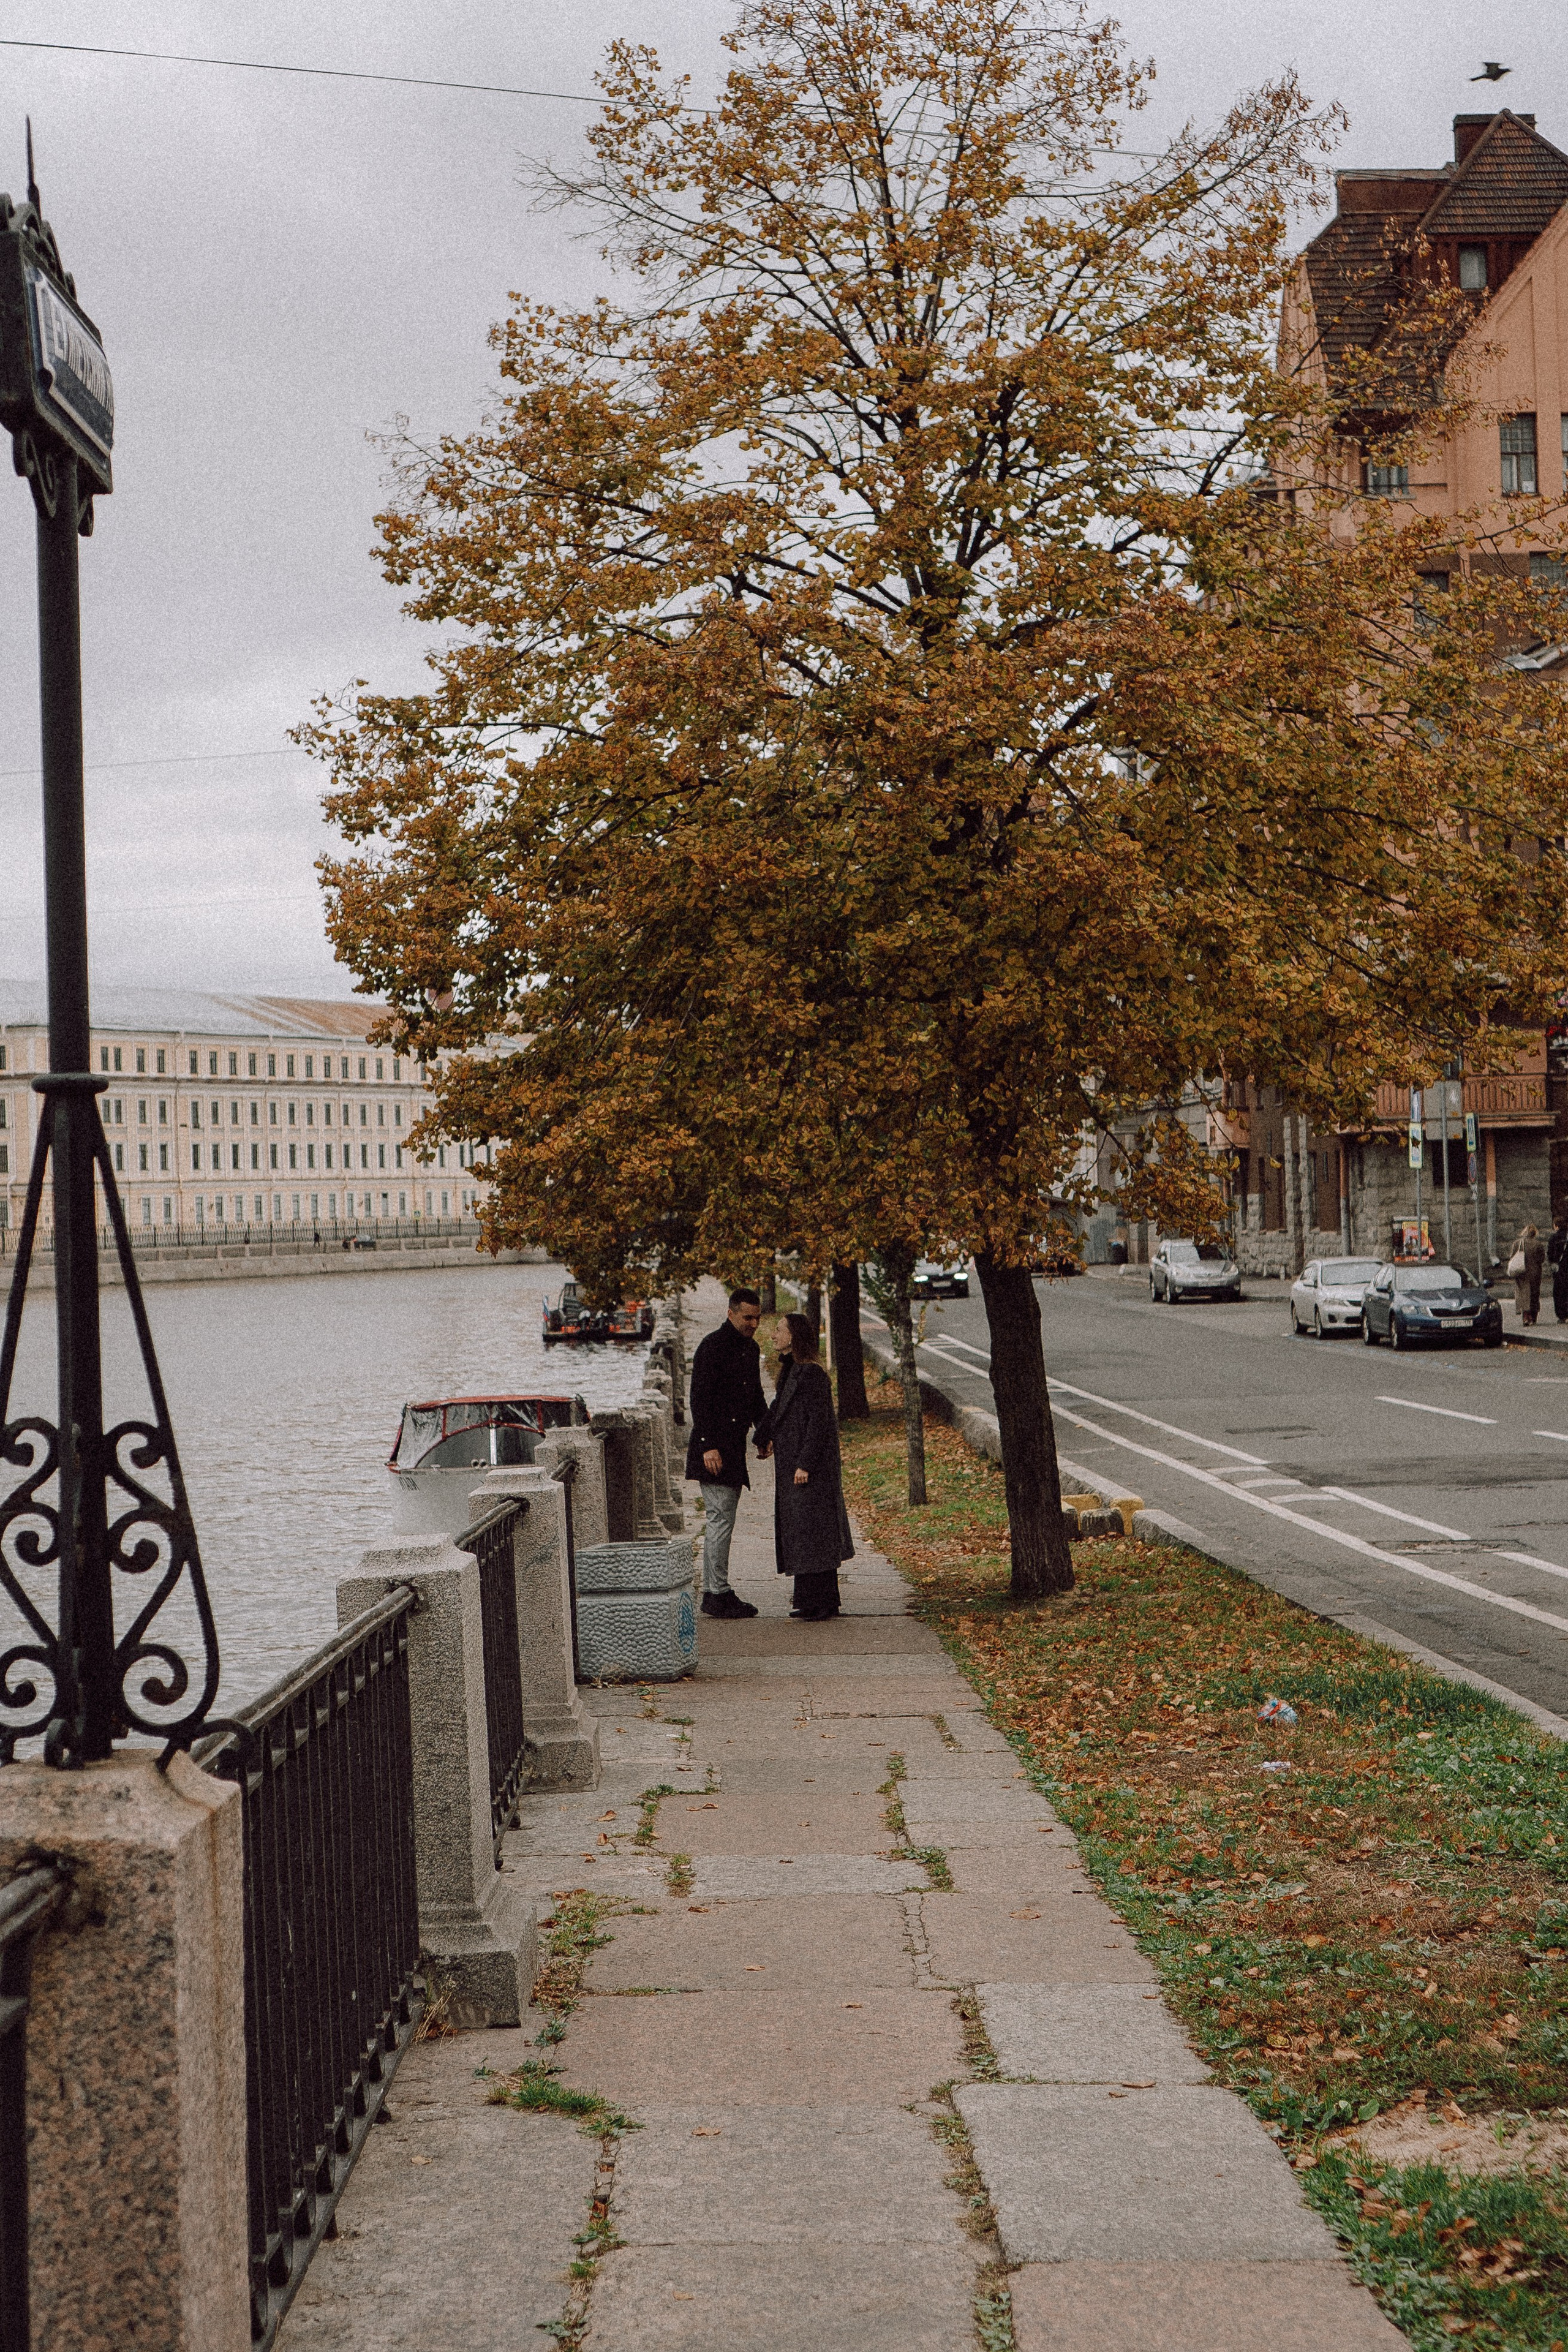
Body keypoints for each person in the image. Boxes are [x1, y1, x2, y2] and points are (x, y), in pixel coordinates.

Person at [685, 1287, 770, 1618]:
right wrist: (708, 1445)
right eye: (748, 1317)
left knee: (722, 1520)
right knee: (720, 1519)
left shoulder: (750, 1349)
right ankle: (716, 1593)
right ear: (731, 1313)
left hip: (732, 1448)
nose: (754, 1323)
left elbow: (755, 1395)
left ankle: (715, 1590)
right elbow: (699, 1398)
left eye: (758, 1318)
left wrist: (764, 1433)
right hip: (715, 1449)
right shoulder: (712, 1346)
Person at [767, 1311, 854, 1621]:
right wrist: (763, 1438)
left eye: (779, 1330)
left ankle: (820, 1602)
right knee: (804, 1532)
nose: (774, 1335)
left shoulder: (812, 1374)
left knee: (812, 1531)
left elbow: (819, 1423)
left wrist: (805, 1463)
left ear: (794, 1337)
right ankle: (812, 1601)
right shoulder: (793, 1370)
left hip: (810, 1467)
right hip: (795, 1462)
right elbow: (779, 1409)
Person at [1512, 1223, 1546, 1325]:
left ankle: (1525, 1317)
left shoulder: (1517, 1243)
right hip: (1535, 1273)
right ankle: (1534, 1317)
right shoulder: (1538, 1245)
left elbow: (1512, 1257)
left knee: (1523, 1295)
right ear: (1534, 1233)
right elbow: (1542, 1259)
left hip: (1521, 1273)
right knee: (1534, 1294)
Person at [1550, 1213, 1568, 1324]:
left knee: (1559, 1292)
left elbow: (1550, 1254)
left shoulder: (1554, 1238)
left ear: (1556, 1226)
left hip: (1559, 1270)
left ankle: (1562, 1315)